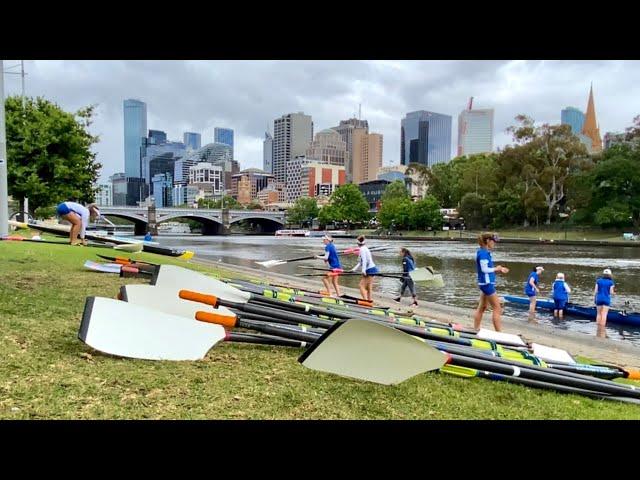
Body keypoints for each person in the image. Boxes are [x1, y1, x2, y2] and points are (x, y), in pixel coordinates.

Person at [473, 232, 509, 332]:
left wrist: (499, 269)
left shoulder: (483, 252)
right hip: (487, 284)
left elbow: (486, 268)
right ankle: (499, 333)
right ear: (488, 241)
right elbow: (484, 269)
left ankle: (476, 329)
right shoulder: (483, 253)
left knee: (482, 307)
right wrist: (496, 269)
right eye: (493, 241)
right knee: (498, 308)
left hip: (484, 283)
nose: (494, 244)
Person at [350, 235, 379, 301]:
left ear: (357, 243)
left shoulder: (362, 249)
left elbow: (365, 261)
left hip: (369, 269)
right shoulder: (364, 248)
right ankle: (369, 300)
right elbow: (361, 262)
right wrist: (354, 269)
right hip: (372, 268)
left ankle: (365, 301)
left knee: (361, 286)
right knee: (369, 287)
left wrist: (363, 270)